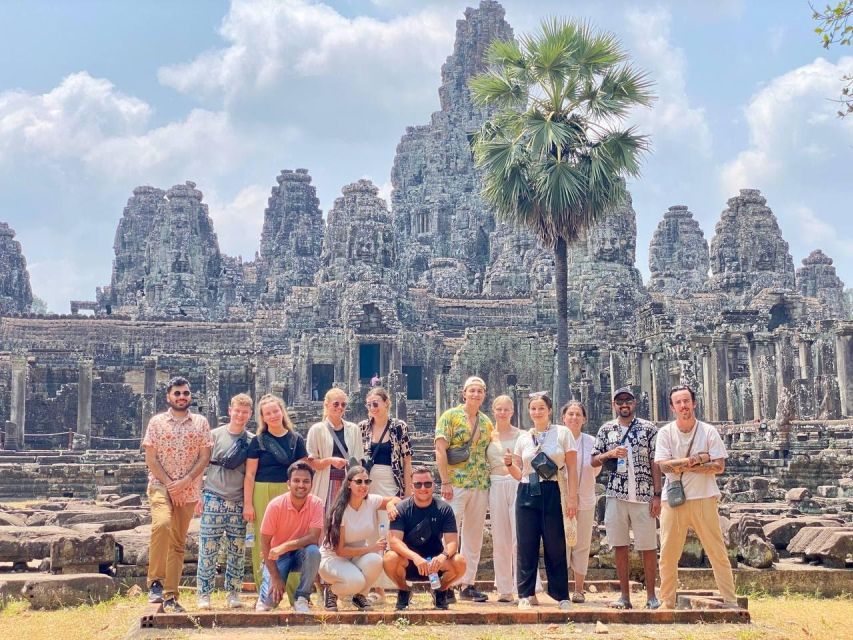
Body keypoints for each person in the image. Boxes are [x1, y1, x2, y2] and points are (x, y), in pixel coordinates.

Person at [655, 385, 738, 610]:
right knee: (668, 553)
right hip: (673, 500)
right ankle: (667, 601)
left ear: (694, 403)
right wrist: (698, 460)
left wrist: (682, 464)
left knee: (716, 551)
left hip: (704, 497)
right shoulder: (665, 433)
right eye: (678, 402)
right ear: (672, 408)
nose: (684, 406)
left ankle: (730, 600)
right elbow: (663, 466)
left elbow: (719, 466)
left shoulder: (708, 431)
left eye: (686, 401)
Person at [143, 376, 213, 613]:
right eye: (177, 393)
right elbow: (151, 459)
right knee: (162, 525)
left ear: (190, 396)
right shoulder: (156, 422)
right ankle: (155, 581)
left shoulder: (201, 422)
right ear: (168, 397)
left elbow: (205, 457)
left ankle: (171, 595)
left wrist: (184, 482)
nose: (182, 397)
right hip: (161, 485)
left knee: (178, 543)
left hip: (189, 487)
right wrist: (172, 484)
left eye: (185, 393)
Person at [504, 392, 577, 610]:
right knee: (526, 543)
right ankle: (525, 594)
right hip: (528, 490)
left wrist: (572, 498)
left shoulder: (562, 433)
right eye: (533, 409)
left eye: (541, 409)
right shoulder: (524, 438)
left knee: (555, 544)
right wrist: (508, 464)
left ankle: (561, 594)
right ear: (529, 412)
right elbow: (519, 474)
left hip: (553, 488)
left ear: (550, 411)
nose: (537, 412)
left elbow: (572, 467)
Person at [591, 386, 662, 610]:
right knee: (619, 545)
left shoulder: (648, 429)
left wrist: (657, 495)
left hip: (643, 494)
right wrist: (609, 454)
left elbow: (655, 462)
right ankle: (624, 596)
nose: (624, 405)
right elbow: (593, 460)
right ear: (614, 405)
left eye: (628, 401)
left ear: (634, 403)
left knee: (648, 546)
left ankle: (651, 596)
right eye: (620, 401)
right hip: (615, 494)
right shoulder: (606, 430)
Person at [434, 375, 493, 602]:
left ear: (484, 395)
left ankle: (467, 583)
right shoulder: (450, 417)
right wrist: (445, 481)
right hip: (455, 483)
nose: (476, 394)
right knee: (448, 535)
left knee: (473, 536)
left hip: (480, 483)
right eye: (472, 390)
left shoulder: (487, 422)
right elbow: (440, 450)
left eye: (480, 391)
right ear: (464, 393)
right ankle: (444, 583)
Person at [244, 394, 310, 591]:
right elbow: (250, 474)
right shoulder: (258, 441)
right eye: (267, 413)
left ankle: (294, 592)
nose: (272, 415)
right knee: (263, 539)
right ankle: (264, 589)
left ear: (282, 412)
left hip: (288, 490)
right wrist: (248, 503)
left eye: (275, 411)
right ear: (262, 418)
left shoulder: (295, 440)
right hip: (262, 489)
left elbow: (304, 470)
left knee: (292, 537)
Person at [196, 393, 254, 610]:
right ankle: (204, 594)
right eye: (237, 410)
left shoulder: (250, 441)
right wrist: (198, 495)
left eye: (245, 412)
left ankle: (233, 593)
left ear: (249, 414)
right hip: (213, 497)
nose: (240, 415)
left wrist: (248, 504)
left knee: (237, 551)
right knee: (208, 549)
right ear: (230, 410)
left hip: (238, 500)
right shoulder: (214, 435)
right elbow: (201, 465)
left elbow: (250, 474)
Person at [383, 466, 467, 611]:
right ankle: (404, 590)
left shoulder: (444, 509)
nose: (423, 488)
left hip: (435, 564)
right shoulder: (402, 509)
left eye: (427, 484)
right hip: (409, 562)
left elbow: (453, 542)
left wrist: (442, 556)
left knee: (459, 561)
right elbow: (394, 542)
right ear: (412, 486)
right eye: (418, 484)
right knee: (389, 558)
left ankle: (440, 591)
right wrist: (415, 557)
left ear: (434, 485)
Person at [318, 465, 402, 610]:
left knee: (376, 560)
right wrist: (372, 548)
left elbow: (396, 499)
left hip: (356, 557)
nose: (363, 486)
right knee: (357, 581)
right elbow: (340, 551)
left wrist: (389, 505)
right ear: (349, 484)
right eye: (359, 482)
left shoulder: (371, 501)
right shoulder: (340, 510)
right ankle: (331, 592)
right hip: (332, 559)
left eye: (367, 482)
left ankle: (360, 597)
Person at [358, 386, 413, 602]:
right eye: (369, 405)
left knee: (393, 533)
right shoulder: (363, 428)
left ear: (386, 403)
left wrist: (408, 490)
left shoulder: (399, 427)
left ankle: (400, 584)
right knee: (371, 533)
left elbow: (407, 460)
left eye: (376, 404)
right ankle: (376, 589)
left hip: (392, 482)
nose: (372, 408)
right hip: (367, 484)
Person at [255, 461, 323, 613]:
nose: (301, 485)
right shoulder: (275, 505)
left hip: (302, 554)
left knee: (314, 551)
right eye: (296, 481)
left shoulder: (317, 504)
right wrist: (275, 577)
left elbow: (314, 537)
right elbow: (265, 543)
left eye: (306, 481)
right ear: (288, 483)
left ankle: (302, 598)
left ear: (311, 484)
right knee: (269, 604)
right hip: (277, 556)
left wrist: (285, 546)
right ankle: (263, 596)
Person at [561, 400, 602, 604]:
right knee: (561, 544)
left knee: (582, 544)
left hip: (585, 499)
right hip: (559, 501)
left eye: (578, 414)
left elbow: (596, 469)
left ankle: (579, 589)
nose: (574, 418)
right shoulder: (557, 438)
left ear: (584, 419)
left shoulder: (592, 442)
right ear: (563, 418)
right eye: (570, 414)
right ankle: (561, 590)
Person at [486, 395, 522, 603]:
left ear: (512, 411)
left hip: (516, 483)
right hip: (495, 484)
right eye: (498, 409)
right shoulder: (487, 436)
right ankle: (504, 587)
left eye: (506, 409)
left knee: (520, 535)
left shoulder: (522, 435)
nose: (502, 412)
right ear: (493, 410)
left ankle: (524, 586)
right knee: (500, 538)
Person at [307, 388, 364, 511]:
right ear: (326, 405)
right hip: (325, 483)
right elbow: (312, 463)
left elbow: (358, 463)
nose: (340, 407)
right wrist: (330, 461)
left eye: (343, 404)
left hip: (348, 483)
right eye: (336, 404)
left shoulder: (354, 429)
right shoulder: (316, 429)